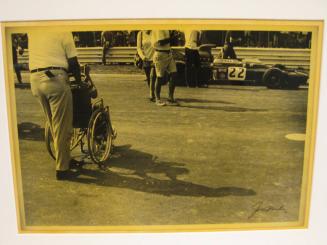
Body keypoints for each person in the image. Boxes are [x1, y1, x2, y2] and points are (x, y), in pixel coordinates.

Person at [28, 30, 83, 180]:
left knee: (53, 125)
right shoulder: (63, 29)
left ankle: (65, 158)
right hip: (54, 78)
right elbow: (73, 62)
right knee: (62, 126)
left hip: (35, 79)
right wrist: (79, 81)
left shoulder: (34, 31)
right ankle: (62, 169)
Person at [151, 30, 178, 106]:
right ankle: (158, 99)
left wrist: (174, 36)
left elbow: (170, 42)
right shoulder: (159, 28)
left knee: (174, 73)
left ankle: (170, 98)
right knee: (159, 77)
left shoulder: (167, 29)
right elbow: (161, 42)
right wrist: (172, 37)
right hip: (160, 54)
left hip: (168, 53)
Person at [136, 30, 157, 101]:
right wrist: (143, 57)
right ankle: (153, 92)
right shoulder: (140, 34)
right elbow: (138, 48)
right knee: (149, 78)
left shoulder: (155, 32)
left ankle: (153, 94)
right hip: (146, 59)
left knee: (153, 76)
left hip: (155, 58)